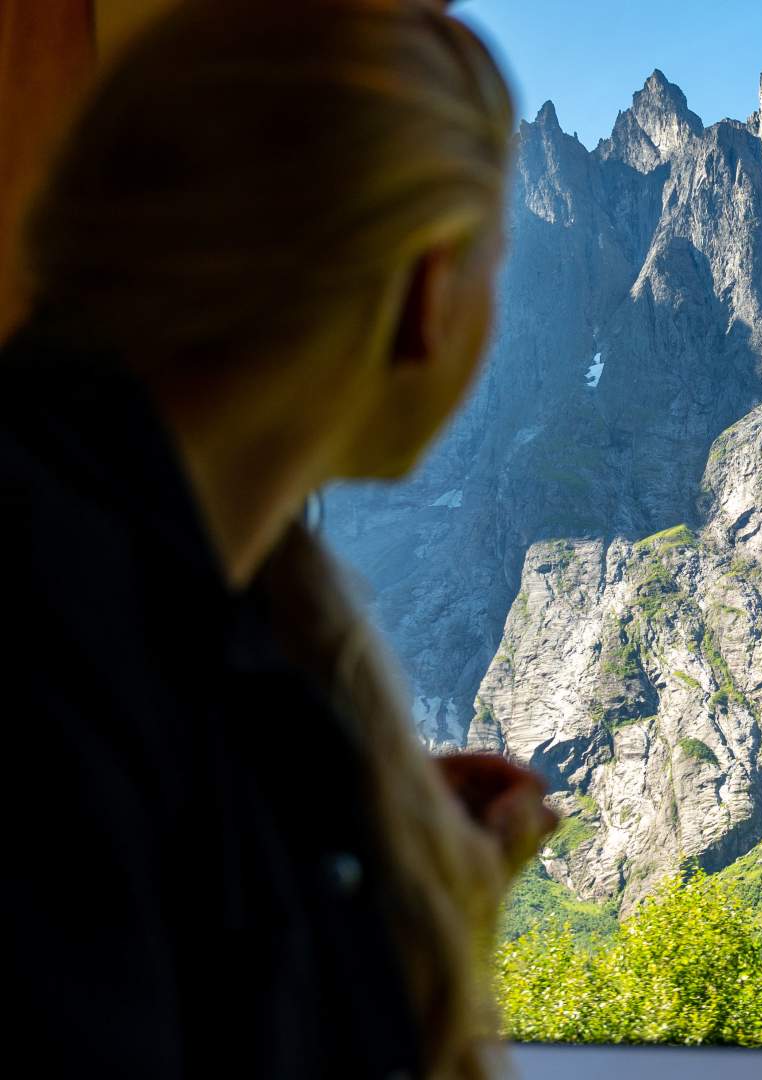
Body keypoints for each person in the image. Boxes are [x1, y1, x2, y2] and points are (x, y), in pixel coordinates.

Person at [0, 1, 554, 1076]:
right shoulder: (88, 646)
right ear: (427, 295)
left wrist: (372, 881)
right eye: (497, 264)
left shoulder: (143, 601)